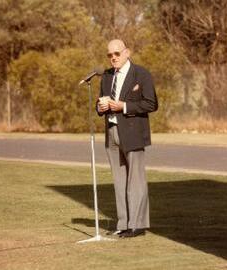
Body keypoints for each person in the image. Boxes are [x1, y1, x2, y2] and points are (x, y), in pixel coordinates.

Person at [96, 39, 158, 238]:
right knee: (119, 180)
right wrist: (100, 107)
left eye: (117, 53)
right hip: (112, 132)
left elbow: (151, 103)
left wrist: (122, 106)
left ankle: (137, 225)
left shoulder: (141, 74)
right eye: (109, 55)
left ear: (127, 52)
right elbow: (101, 104)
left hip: (133, 133)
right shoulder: (106, 76)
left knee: (136, 180)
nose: (113, 58)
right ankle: (123, 224)